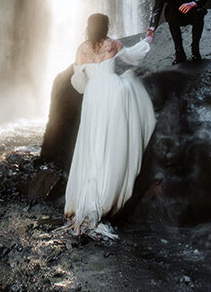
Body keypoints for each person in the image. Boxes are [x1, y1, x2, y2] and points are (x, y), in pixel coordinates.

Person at [61, 13, 155, 238]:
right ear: (105, 27)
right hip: (113, 91)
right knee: (111, 139)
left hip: (93, 94)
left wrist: (89, 85)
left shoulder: (82, 49)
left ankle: (88, 194)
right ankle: (106, 192)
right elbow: (133, 57)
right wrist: (148, 39)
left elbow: (78, 80)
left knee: (92, 140)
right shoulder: (112, 44)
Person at [145, 0, 207, 65]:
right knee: (170, 15)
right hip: (175, 14)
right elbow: (157, 9)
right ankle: (179, 53)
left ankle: (195, 50)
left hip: (191, 11)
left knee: (200, 13)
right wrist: (152, 28)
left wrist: (193, 4)